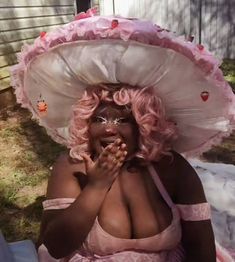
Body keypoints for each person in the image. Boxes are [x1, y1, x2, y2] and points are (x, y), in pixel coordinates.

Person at [11, 9, 235, 262]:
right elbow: (54, 248)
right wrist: (96, 186)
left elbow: (200, 249)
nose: (109, 128)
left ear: (145, 125)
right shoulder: (72, 166)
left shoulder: (173, 168)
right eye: (99, 119)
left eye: (123, 120)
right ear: (86, 124)